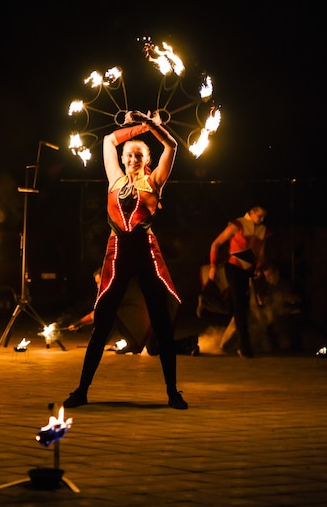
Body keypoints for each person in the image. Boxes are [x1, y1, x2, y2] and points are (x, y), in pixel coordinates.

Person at [63, 110, 188, 409]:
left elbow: (172, 147)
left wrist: (154, 127)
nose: (133, 159)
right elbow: (108, 139)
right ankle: (81, 390)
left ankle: (173, 392)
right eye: (129, 155)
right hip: (117, 254)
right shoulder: (114, 179)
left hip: (145, 254)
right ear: (122, 159)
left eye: (138, 155)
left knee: (161, 323)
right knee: (102, 322)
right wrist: (138, 127)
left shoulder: (155, 182)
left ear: (146, 160)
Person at [208, 203, 269, 358]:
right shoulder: (238, 224)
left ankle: (235, 342)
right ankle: (244, 346)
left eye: (264, 217)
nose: (262, 219)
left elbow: (260, 254)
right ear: (252, 212)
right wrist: (213, 266)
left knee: (245, 308)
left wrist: (259, 268)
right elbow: (216, 244)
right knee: (239, 306)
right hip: (234, 268)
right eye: (260, 215)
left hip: (249, 271)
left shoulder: (262, 230)